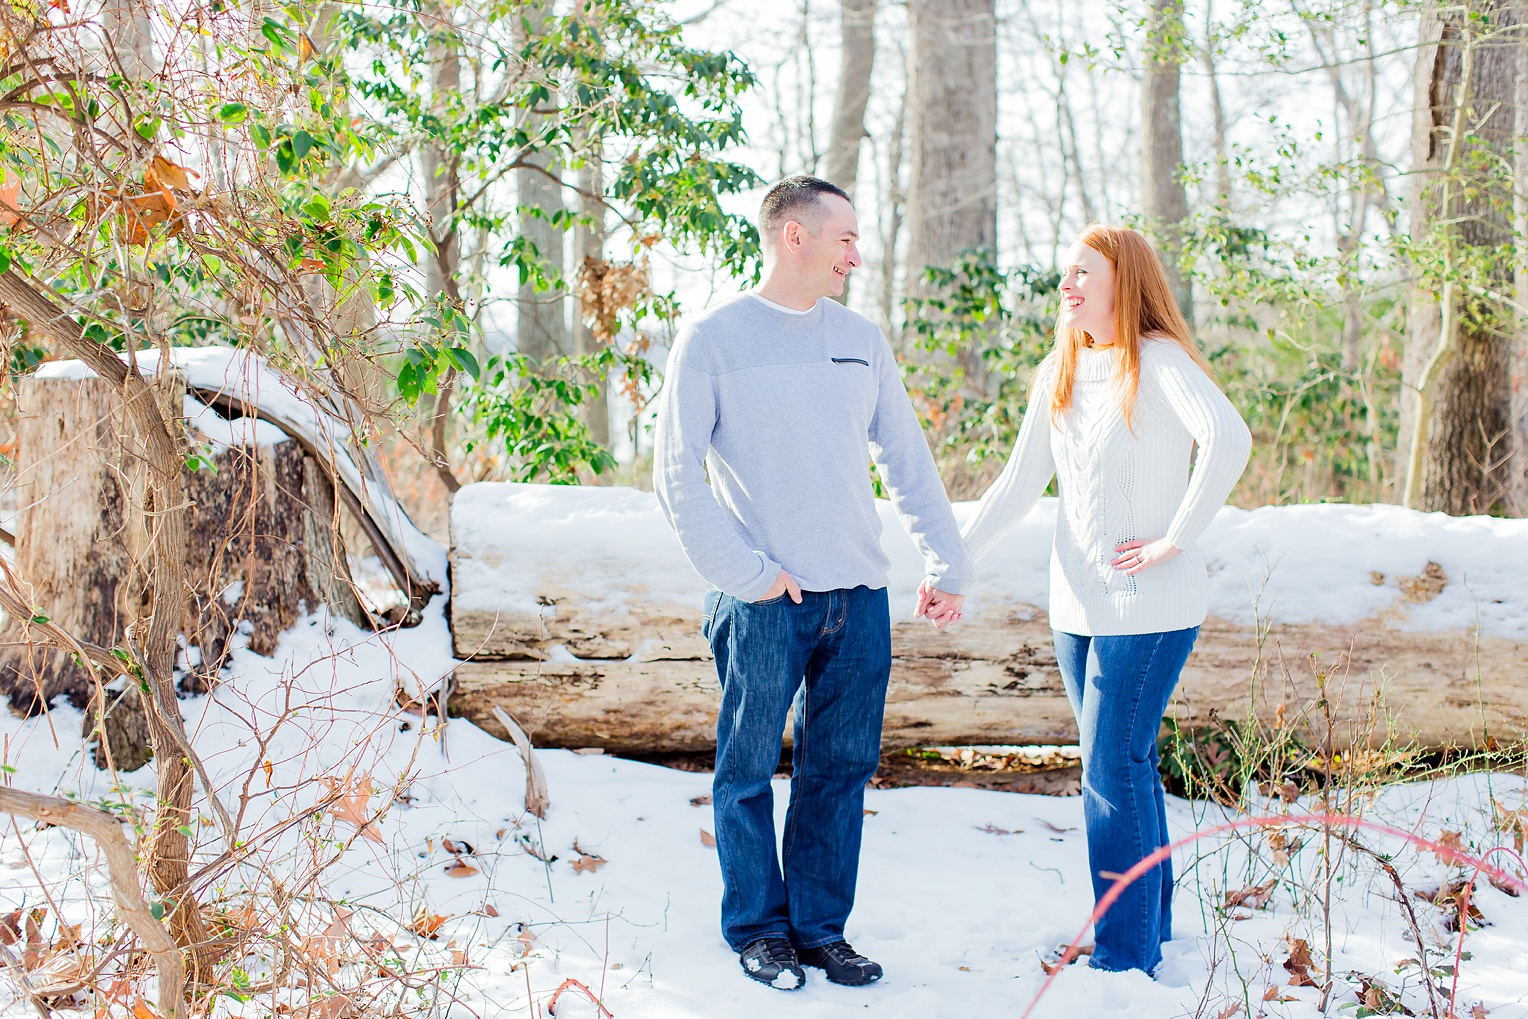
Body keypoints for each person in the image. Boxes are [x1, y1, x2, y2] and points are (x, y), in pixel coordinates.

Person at [653, 175, 971, 991]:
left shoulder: (861, 338)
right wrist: (749, 576)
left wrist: (947, 559)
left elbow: (907, 458)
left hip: (858, 600)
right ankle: (758, 928)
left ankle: (820, 930)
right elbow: (675, 475)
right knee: (748, 770)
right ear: (793, 236)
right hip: (763, 601)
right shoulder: (714, 338)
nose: (855, 255)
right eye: (845, 239)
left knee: (839, 772)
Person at [959, 224, 1251, 975]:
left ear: (1124, 279)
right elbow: (1019, 484)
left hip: (1149, 609)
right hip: (1077, 608)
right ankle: (1146, 932)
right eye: (1067, 272)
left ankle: (1122, 957)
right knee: (1125, 763)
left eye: (1084, 272)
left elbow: (1228, 437)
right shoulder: (1060, 368)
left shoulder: (1156, 360)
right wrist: (951, 562)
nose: (1068, 284)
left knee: (1109, 769)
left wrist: (1175, 536)